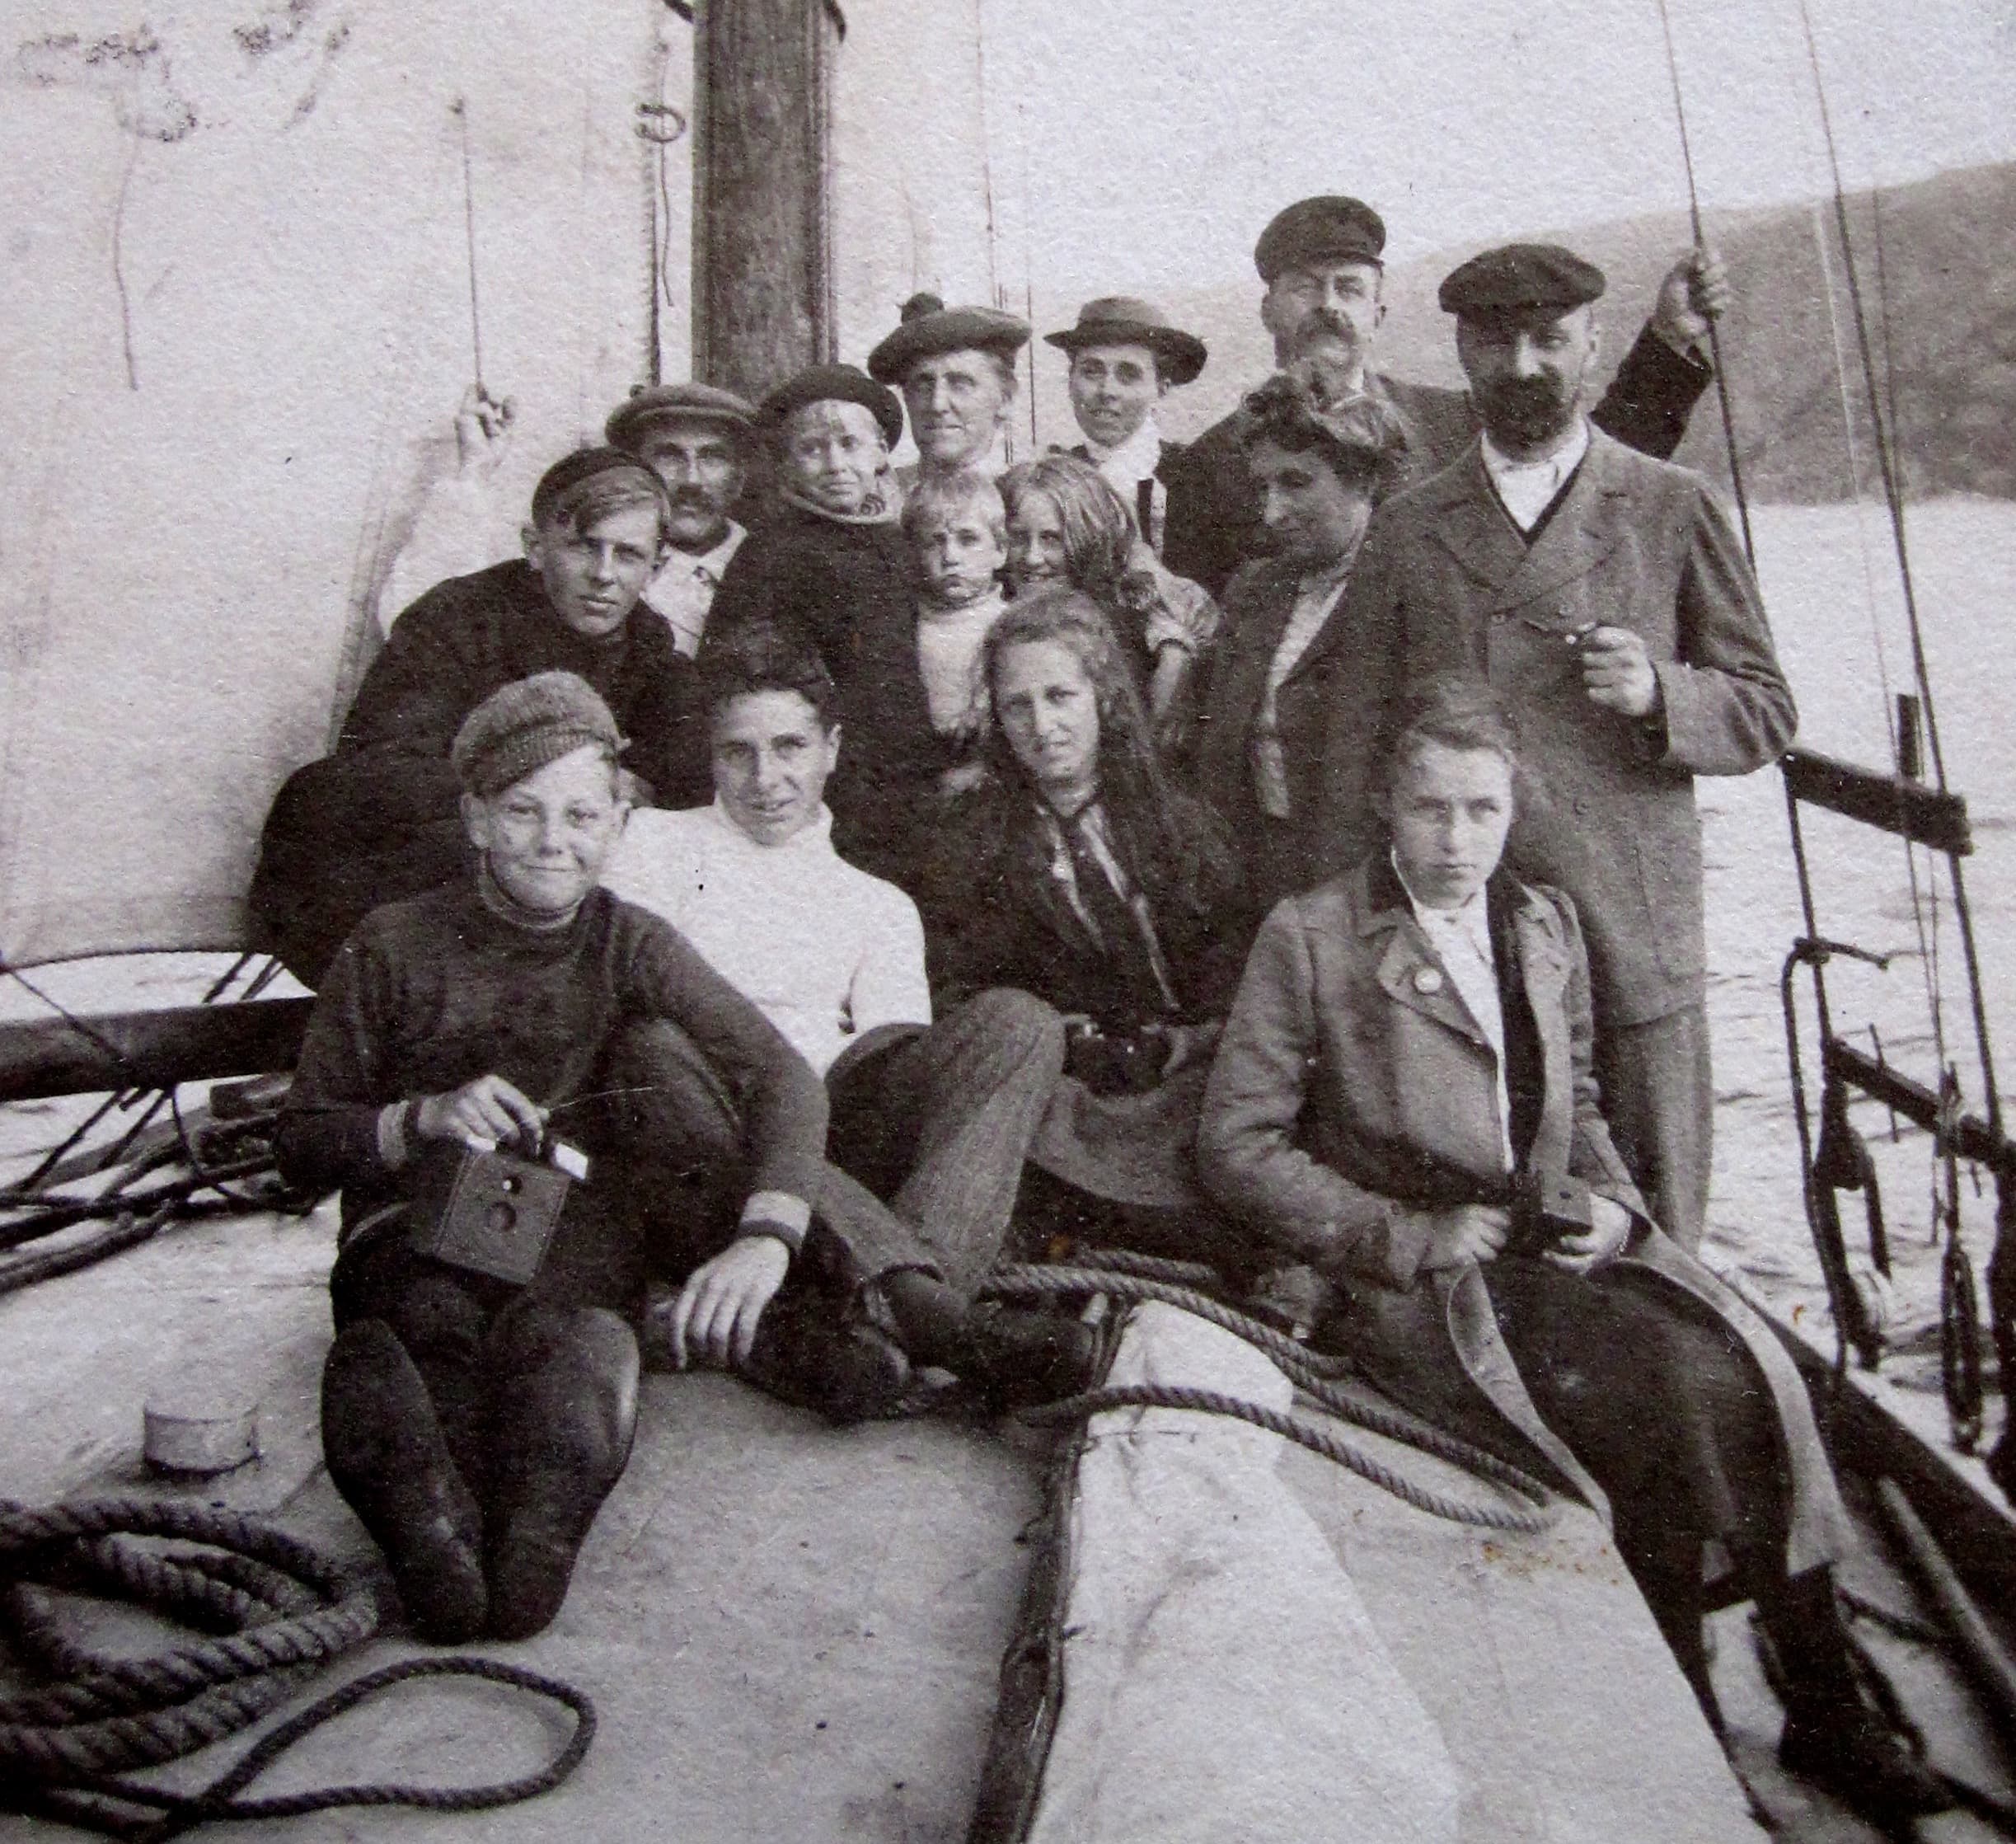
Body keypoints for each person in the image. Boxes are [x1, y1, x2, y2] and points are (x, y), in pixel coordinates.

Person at [1197, 680, 1948, 1828]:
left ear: (1512, 812)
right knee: (1655, 1392)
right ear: (1385, 809)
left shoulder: (1539, 925)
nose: (1455, 840)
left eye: (1481, 811)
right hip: (1426, 1274)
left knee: (1767, 1369)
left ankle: (1824, 1701)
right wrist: (1406, 1234)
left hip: (1553, 1240)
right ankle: (1684, 1696)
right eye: (1430, 809)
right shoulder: (1311, 937)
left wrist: (1614, 1208)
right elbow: (1236, 1146)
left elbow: (1579, 1096)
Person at [277, 672, 853, 1645]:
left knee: (563, 1333)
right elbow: (297, 1143)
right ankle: (430, 1509)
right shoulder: (393, 944)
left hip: (571, 1226)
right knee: (427, 1318)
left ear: (619, 821)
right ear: (475, 818)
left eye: (584, 813)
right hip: (411, 1225)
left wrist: (769, 1231)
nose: (556, 840)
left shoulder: (630, 941)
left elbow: (782, 1074)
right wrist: (418, 1117)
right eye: (524, 811)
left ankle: (542, 1504)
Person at [1321, 242, 1796, 1255]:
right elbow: (1354, 748)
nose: (1524, 365)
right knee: (1485, 1228)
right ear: (1461, 350)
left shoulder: (1672, 505)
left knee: (1659, 1232)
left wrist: (1660, 692)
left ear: (1589, 344)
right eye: (1497, 343)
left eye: (1549, 340)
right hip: (1460, 943)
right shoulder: (1408, 529)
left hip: (1631, 937)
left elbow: (1763, 708)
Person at [602, 626, 1098, 1405]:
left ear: (832, 748)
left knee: (1021, 1023)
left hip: (834, 1135)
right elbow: (630, 999)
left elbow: (892, 1058)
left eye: (792, 747)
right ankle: (936, 1319)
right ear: (711, 757)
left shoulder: (875, 903)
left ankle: (901, 1303)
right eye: (740, 752)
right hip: (703, 1117)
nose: (768, 777)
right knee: (653, 1047)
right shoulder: (654, 844)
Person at [252, 448, 702, 988]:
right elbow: (380, 761)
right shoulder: (456, 620)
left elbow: (688, 780)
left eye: (628, 555)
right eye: (584, 547)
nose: (604, 575)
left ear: (657, 566)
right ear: (535, 547)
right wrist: (554, 783)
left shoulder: (652, 652)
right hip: (433, 872)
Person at [1162, 195, 1730, 598]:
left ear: (1377, 313)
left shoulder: (1454, 424)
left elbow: (1587, 466)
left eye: (1349, 288)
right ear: (1268, 309)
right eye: (1305, 286)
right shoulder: (1208, 467)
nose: (1328, 305)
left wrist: (1670, 338)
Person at [920, 588, 1248, 1255]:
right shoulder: (972, 840)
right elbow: (960, 990)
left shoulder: (1179, 824)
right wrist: (1074, 1043)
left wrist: (1183, 1047)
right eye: (1018, 705)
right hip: (1072, 1092)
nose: (1042, 726)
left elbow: (1239, 973)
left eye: (1060, 696)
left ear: (1102, 694)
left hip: (1189, 1074)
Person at [703, 363, 940, 889]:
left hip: (910, 776)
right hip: (830, 785)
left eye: (851, 444)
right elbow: (741, 679)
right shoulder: (771, 554)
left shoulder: (896, 543)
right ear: (787, 465)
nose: (836, 464)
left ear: (881, 454)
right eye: (812, 449)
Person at [1191, 373, 1407, 911]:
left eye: (1296, 482)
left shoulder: (1407, 594)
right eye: (1263, 487)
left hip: (1365, 889)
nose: (1271, 512)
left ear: (1363, 478)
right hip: (1255, 881)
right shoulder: (1254, 588)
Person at [375, 382, 757, 659]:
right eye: (669, 456)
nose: (692, 479)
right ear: (633, 471)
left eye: (713, 457)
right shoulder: (568, 562)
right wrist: (474, 473)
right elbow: (420, 620)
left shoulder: (769, 568)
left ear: (740, 475)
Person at [999, 454, 1219, 751]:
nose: (1032, 558)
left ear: (1087, 538)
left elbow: (1186, 603)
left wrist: (1174, 653)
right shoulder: (992, 607)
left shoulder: (1122, 615)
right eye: (1018, 538)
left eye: (1052, 539)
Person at [1043, 296, 1208, 557]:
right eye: (1091, 371)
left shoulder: (1199, 477)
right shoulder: (1050, 478)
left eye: (1128, 374)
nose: (1107, 390)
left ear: (1161, 389)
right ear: (1070, 381)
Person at [900, 469, 1012, 794]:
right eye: (935, 542)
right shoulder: (906, 625)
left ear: (1000, 549)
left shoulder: (1008, 625)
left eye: (968, 539)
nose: (950, 557)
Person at [866, 292, 1031, 486]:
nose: (937, 405)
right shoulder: (878, 499)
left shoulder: (1029, 501)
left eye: (960, 385)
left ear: (1005, 400)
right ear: (906, 398)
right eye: (922, 387)